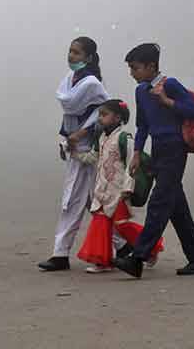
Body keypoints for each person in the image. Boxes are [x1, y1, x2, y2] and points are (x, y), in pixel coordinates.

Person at [114, 43, 194, 279]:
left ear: (151, 66)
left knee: (159, 202)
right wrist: (136, 153)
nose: (132, 73)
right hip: (158, 149)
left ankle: (137, 258)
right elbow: (142, 125)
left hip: (175, 149)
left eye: (135, 68)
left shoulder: (170, 85)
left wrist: (166, 100)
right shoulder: (141, 91)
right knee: (177, 208)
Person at [38, 37, 131, 272]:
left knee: (74, 202)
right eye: (70, 51)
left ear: (88, 58)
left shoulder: (92, 84)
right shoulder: (69, 80)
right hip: (75, 150)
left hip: (90, 151)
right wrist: (64, 140)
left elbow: (104, 113)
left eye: (77, 53)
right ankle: (124, 247)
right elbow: (68, 116)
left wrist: (82, 134)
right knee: (97, 202)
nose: (71, 56)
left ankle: (61, 253)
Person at [74, 99, 164, 273]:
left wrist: (127, 189)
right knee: (100, 223)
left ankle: (151, 247)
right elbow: (93, 158)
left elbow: (132, 164)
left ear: (117, 118)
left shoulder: (124, 138)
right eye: (100, 115)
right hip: (102, 190)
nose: (100, 118)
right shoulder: (101, 138)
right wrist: (74, 153)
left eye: (104, 115)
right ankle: (102, 261)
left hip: (119, 190)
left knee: (122, 224)